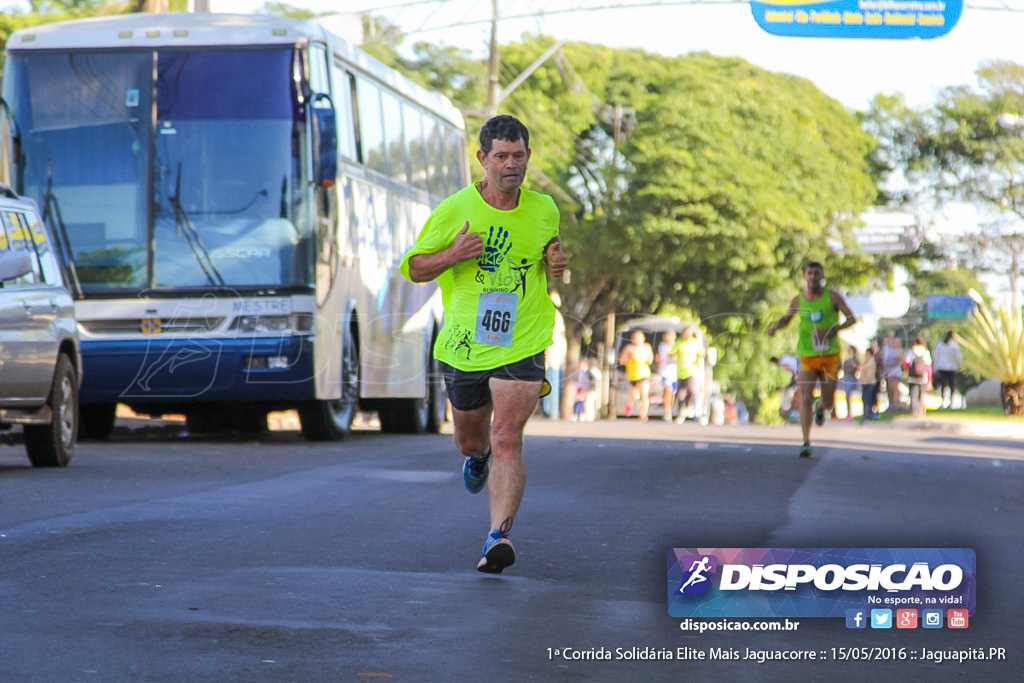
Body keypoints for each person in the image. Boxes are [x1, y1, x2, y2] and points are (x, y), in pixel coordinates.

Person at [400, 114, 567, 574]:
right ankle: (477, 460)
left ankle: (498, 536)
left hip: (524, 337)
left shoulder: (545, 209)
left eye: (519, 156)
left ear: (529, 157)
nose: (511, 164)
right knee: (472, 440)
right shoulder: (456, 209)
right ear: (483, 159)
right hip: (464, 344)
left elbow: (550, 261)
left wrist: (557, 266)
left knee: (507, 435)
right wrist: (453, 255)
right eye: (501, 156)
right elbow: (414, 267)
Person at [767, 261, 857, 457]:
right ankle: (806, 442)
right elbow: (786, 319)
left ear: (822, 275)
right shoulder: (798, 300)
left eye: (817, 273)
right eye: (809, 273)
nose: (813, 277)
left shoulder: (832, 297)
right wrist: (775, 327)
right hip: (807, 355)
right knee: (805, 397)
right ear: (804, 276)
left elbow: (852, 318)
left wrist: (834, 329)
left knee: (828, 401)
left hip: (830, 355)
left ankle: (821, 407)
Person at [670, 326, 705, 423]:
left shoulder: (695, 343)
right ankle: (681, 411)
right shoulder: (679, 342)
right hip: (681, 372)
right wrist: (677, 352)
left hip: (691, 371)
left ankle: (689, 406)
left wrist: (698, 358)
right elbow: (671, 354)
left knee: (691, 389)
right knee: (680, 393)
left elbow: (702, 353)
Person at [619, 330, 655, 420]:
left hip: (644, 374)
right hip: (632, 375)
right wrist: (630, 358)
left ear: (643, 339)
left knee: (644, 394)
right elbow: (621, 360)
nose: (636, 341)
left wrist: (644, 359)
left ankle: (643, 414)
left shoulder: (647, 347)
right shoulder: (629, 348)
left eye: (638, 339)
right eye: (634, 339)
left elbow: (650, 360)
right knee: (632, 395)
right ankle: (629, 405)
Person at [932, 330, 963, 409]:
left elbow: (936, 356)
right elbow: (958, 356)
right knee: (951, 385)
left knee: (943, 385)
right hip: (951, 368)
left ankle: (943, 402)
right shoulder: (954, 345)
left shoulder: (940, 344)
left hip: (942, 367)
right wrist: (960, 365)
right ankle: (950, 402)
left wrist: (935, 367)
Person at [904, 335, 933, 418]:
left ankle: (914, 411)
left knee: (913, 395)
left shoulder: (911, 352)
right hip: (922, 378)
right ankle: (921, 411)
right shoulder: (925, 352)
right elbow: (928, 367)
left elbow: (906, 364)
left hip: (912, 377)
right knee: (921, 394)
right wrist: (929, 379)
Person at [770, 353, 801, 422]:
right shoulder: (784, 357)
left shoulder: (782, 364)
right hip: (801, 370)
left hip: (798, 375)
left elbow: (792, 371)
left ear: (774, 363)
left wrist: (792, 380)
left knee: (791, 393)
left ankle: (793, 411)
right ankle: (795, 412)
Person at [657, 331, 678, 421]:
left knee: (673, 392)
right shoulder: (662, 346)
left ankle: (670, 408)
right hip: (665, 371)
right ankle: (667, 411)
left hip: (676, 372)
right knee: (668, 390)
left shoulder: (678, 345)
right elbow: (662, 356)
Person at [880, 334, 904, 414]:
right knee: (889, 389)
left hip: (895, 372)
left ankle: (895, 405)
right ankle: (891, 405)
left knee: (894, 389)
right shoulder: (889, 350)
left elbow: (899, 362)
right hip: (888, 372)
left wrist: (890, 364)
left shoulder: (900, 351)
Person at [838, 345, 860, 421]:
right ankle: (848, 414)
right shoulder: (847, 359)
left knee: (850, 395)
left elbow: (855, 368)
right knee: (847, 396)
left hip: (852, 378)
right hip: (846, 378)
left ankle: (850, 414)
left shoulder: (855, 359)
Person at [859, 345, 879, 422]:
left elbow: (870, 373)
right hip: (865, 383)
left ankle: (867, 415)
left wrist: (864, 380)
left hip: (869, 383)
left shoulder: (871, 361)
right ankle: (866, 414)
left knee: (867, 398)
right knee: (865, 398)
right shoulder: (867, 361)